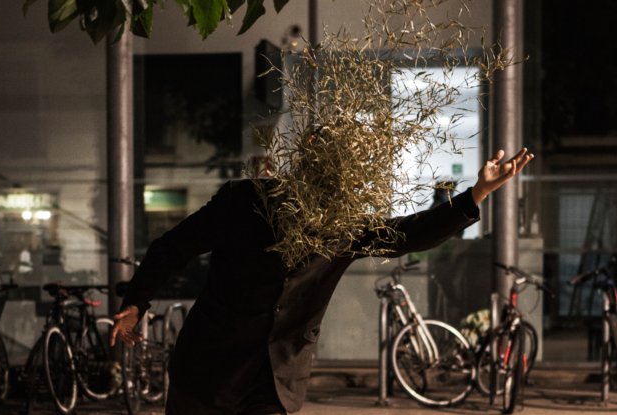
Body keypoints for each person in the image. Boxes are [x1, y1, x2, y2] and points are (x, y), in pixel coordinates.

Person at [111, 147, 534, 414]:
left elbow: (407, 234)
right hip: (209, 371)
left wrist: (476, 194)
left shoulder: (342, 225)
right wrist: (136, 301)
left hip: (275, 380)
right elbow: (173, 246)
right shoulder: (245, 201)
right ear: (305, 165)